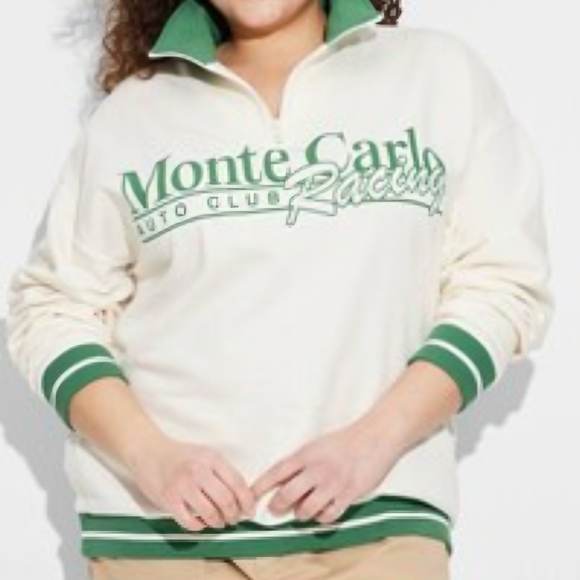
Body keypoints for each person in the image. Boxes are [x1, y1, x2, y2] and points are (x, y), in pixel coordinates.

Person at [5, 0, 553, 578]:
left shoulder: (435, 75)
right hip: (162, 538)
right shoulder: (134, 114)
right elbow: (51, 309)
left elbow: (503, 283)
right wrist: (152, 457)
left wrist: (376, 440)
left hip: (376, 526)